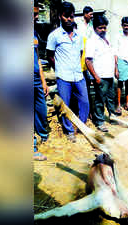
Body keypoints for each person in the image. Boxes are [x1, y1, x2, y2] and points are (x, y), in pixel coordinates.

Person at [46, 1, 89, 142]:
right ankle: (69, 130)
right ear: (60, 16)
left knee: (85, 102)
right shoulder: (54, 36)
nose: (69, 19)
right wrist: (59, 67)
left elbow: (80, 53)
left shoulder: (78, 37)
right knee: (65, 105)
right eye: (66, 16)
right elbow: (49, 55)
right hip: (63, 76)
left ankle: (81, 126)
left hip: (78, 75)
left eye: (71, 16)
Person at [85, 15, 119, 132]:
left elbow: (112, 55)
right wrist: (96, 77)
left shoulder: (107, 38)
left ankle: (112, 115)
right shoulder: (91, 41)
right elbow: (88, 61)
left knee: (111, 97)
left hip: (109, 74)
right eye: (100, 28)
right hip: (100, 76)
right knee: (100, 100)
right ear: (94, 28)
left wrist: (115, 69)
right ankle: (99, 121)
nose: (103, 30)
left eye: (105, 27)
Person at [34, 0, 48, 160]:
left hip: (37, 79)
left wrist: (44, 81)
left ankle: (42, 134)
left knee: (41, 109)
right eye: (33, 14)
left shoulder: (33, 33)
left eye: (37, 13)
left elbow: (37, 58)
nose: (36, 17)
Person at [75, 6, 94, 120]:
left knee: (87, 87)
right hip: (78, 60)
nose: (92, 16)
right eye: (90, 14)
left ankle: (87, 112)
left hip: (87, 60)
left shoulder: (91, 27)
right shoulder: (78, 25)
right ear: (85, 14)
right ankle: (78, 111)